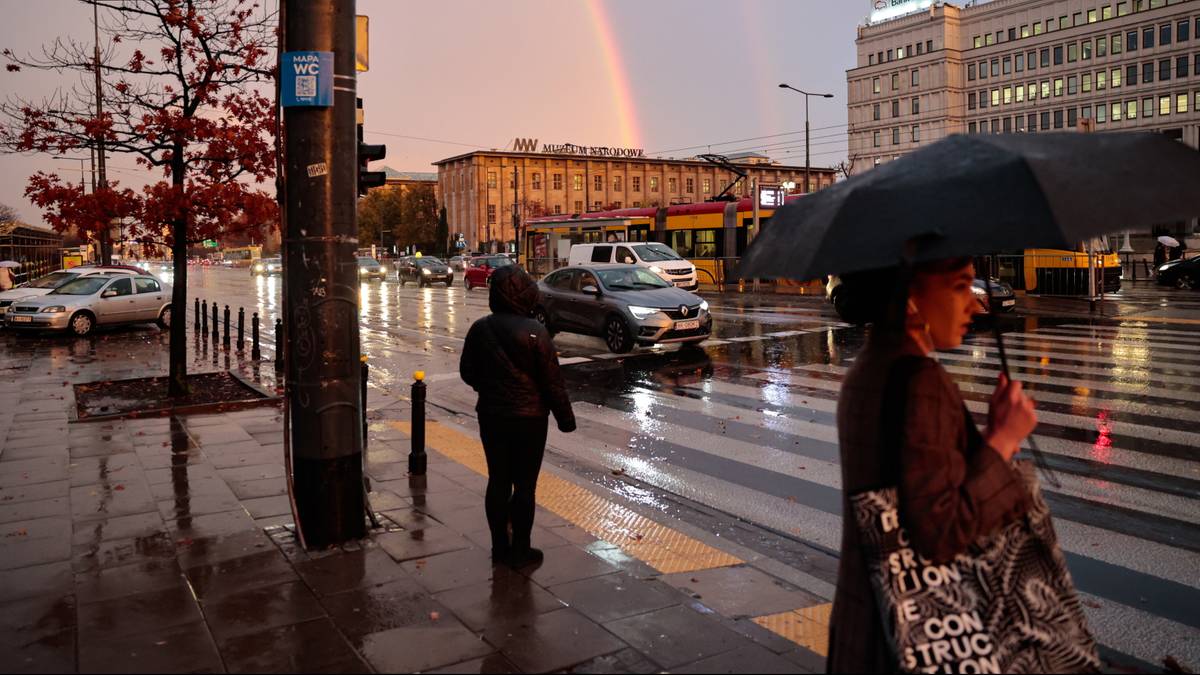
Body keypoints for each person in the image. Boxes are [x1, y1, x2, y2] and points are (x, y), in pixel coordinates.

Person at [827, 258, 1039, 673]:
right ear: (909, 296)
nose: (975, 306)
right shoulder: (919, 382)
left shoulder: (870, 368)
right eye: (960, 287)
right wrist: (1005, 439)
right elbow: (940, 532)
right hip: (916, 642)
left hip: (865, 625)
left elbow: (908, 495)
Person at [460, 265, 576, 568]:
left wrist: (489, 388)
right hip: (530, 419)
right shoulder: (537, 332)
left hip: (492, 415)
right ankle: (521, 549)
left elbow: (467, 372)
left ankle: (500, 546)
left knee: (498, 479)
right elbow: (553, 383)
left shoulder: (480, 329)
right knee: (525, 485)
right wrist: (566, 419)